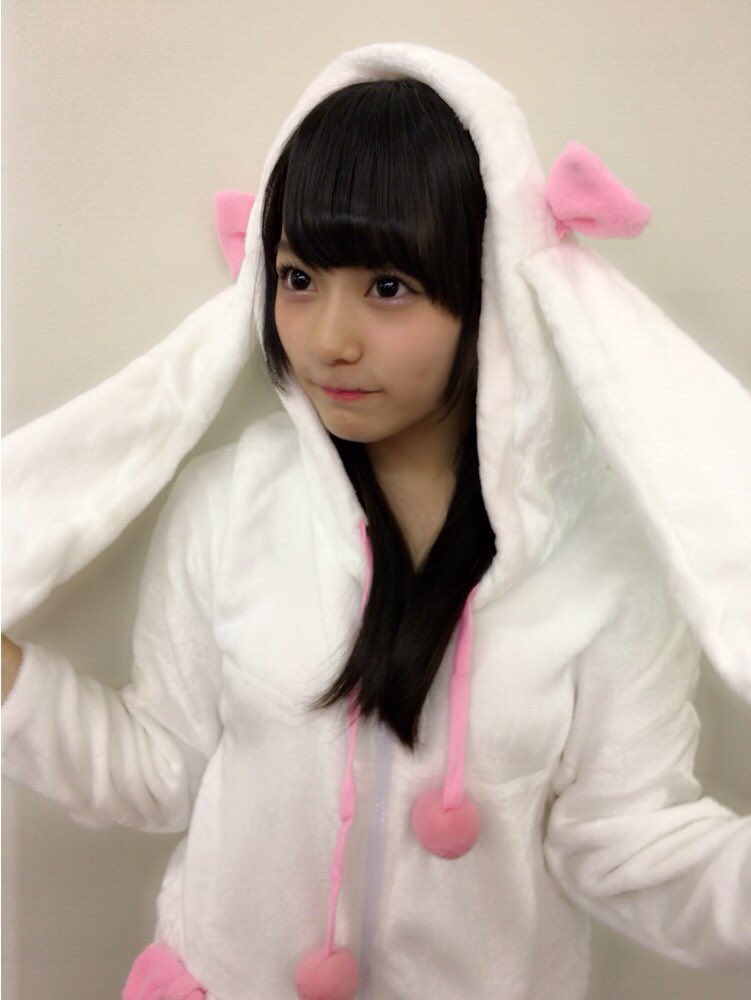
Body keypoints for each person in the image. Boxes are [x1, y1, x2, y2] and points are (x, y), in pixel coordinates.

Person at [2, 43, 750, 1000]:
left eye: (387, 287)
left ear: (484, 288)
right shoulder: (230, 505)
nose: (327, 339)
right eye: (298, 278)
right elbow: (158, 771)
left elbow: (628, 844)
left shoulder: (604, 554)